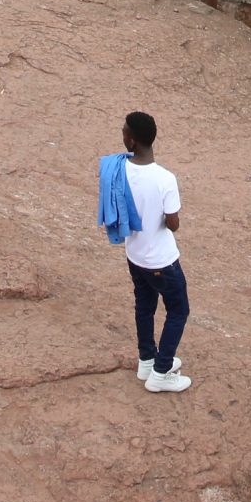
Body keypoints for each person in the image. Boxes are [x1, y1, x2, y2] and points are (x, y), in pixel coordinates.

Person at [107, 111, 189, 392]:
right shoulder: (165, 178)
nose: (121, 135)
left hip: (135, 255)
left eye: (123, 132)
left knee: (144, 306)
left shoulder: (120, 170)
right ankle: (161, 371)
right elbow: (173, 224)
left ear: (131, 141)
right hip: (162, 260)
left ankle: (146, 360)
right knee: (178, 310)